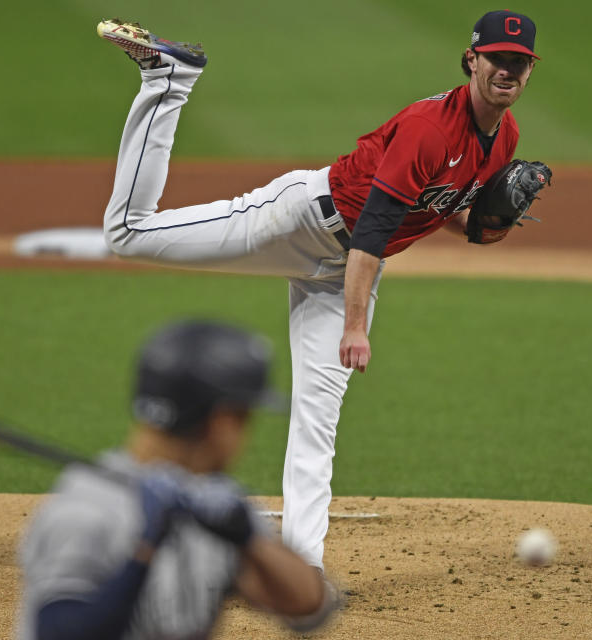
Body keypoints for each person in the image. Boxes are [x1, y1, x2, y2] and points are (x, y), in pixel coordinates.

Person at [96, 10, 548, 570]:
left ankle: (303, 567)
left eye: (519, 63)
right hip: (298, 223)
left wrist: (485, 228)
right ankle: (169, 80)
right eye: (498, 59)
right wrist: (355, 326)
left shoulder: (505, 137)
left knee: (318, 416)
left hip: (344, 272)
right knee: (128, 234)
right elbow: (374, 230)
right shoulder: (429, 129)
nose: (508, 70)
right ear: (472, 59)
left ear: (529, 71)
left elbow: (447, 212)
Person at [16, 320, 342, 639]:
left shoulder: (213, 502)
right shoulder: (86, 510)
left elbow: (308, 607)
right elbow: (58, 631)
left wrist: (247, 538)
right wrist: (145, 548)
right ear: (223, 421)